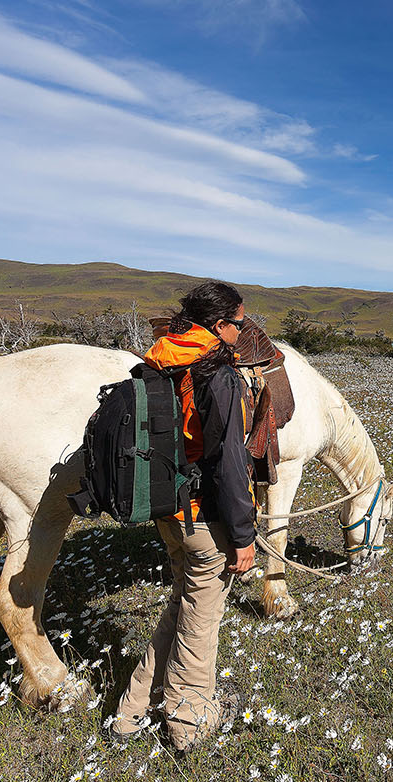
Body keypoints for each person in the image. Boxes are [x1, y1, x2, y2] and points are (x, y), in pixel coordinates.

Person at [109, 281, 257, 751]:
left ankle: (132, 709)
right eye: (238, 323)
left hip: (164, 508)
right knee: (202, 618)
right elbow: (229, 462)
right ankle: (187, 719)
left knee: (183, 603)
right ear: (218, 325)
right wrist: (242, 535)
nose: (241, 332)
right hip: (201, 517)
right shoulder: (219, 374)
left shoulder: (158, 361)